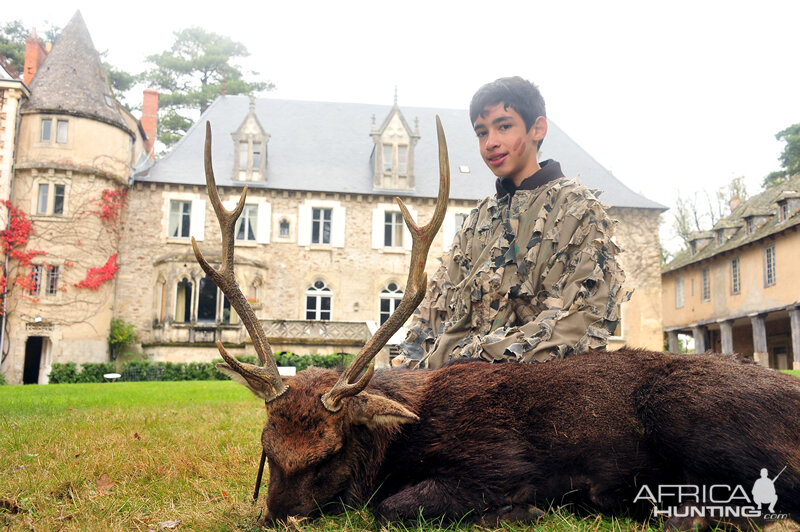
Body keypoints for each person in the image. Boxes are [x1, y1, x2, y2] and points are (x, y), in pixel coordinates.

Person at [394, 76, 629, 369]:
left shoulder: (581, 212)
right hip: (447, 394)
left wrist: (474, 362)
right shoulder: (475, 223)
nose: (490, 142)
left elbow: (582, 321)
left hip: (536, 397)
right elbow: (433, 311)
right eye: (481, 132)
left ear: (537, 129)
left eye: (504, 126)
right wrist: (406, 372)